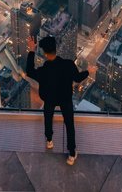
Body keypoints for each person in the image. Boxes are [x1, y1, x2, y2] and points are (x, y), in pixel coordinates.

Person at [25, 34, 88, 165]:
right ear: (56, 49)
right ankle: (71, 154)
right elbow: (77, 78)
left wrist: (31, 50)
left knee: (48, 118)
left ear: (44, 53)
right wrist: (88, 71)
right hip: (65, 98)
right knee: (69, 124)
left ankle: (49, 140)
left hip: (49, 99)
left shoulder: (43, 70)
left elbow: (29, 71)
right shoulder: (68, 64)